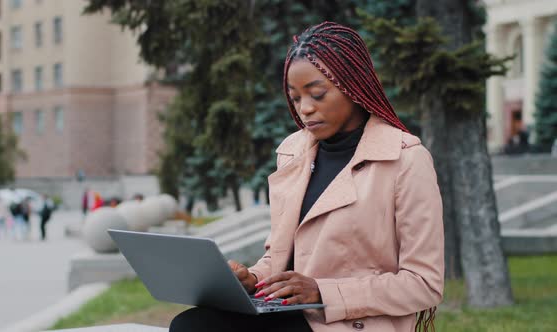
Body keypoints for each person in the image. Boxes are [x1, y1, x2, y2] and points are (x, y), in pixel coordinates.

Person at [170, 22, 444, 332]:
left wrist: (322, 291)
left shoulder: (406, 159)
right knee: (192, 324)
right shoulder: (292, 151)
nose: (305, 109)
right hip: (289, 314)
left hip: (350, 323)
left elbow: (424, 284)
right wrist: (252, 279)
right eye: (296, 98)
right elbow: (280, 257)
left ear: (354, 85)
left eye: (317, 94)